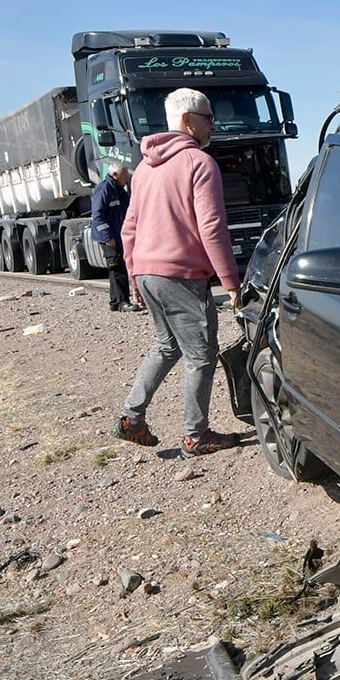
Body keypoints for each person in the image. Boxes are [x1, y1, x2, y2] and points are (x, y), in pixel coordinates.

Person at [113, 87, 242, 457]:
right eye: (208, 119)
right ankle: (196, 435)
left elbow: (130, 228)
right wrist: (231, 283)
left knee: (168, 346)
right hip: (182, 276)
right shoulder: (199, 163)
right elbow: (212, 228)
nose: (213, 126)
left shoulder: (143, 170)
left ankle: (131, 417)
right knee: (201, 355)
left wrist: (135, 275)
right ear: (188, 121)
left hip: (149, 272)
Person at [91, 159, 138, 312]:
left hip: (118, 236)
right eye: (125, 175)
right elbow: (98, 214)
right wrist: (107, 236)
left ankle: (115, 302)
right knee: (117, 269)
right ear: (115, 174)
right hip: (110, 238)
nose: (127, 177)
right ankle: (122, 302)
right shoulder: (104, 189)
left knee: (118, 268)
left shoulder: (119, 190)